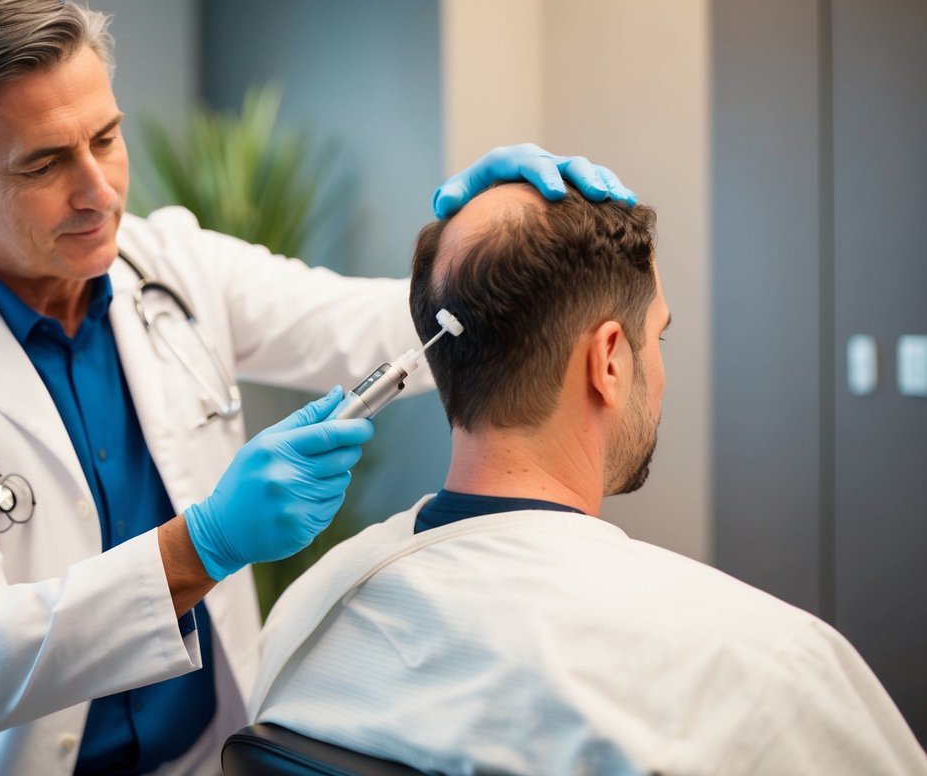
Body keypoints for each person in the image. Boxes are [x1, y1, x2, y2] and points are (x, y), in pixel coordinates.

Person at [0, 0, 630, 776]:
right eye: (43, 165)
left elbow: (382, 328)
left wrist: (488, 240)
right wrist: (205, 545)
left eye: (107, 139)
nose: (99, 193)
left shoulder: (172, 264)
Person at [249, 184, 927, 775]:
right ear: (608, 359)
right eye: (655, 337)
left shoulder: (307, 613)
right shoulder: (756, 668)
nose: (657, 367)